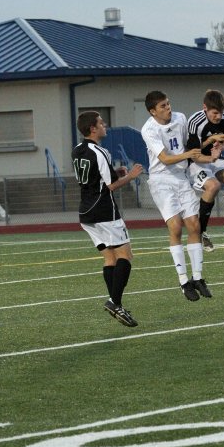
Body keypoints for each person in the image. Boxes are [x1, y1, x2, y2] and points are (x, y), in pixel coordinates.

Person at [141, 91, 221, 301]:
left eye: (168, 104)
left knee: (194, 226)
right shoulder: (148, 129)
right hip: (161, 180)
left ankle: (198, 278)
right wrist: (188, 155)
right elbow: (165, 159)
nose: (168, 108)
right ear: (152, 111)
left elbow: (191, 146)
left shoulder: (180, 118)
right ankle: (184, 281)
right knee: (176, 227)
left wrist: (209, 145)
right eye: (163, 106)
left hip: (181, 177)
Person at [72, 111, 143, 327]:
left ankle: (115, 302)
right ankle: (115, 302)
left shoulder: (77, 150)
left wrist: (116, 172)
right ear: (93, 129)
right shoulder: (100, 151)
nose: (105, 126)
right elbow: (109, 186)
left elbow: (93, 177)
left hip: (86, 211)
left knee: (110, 258)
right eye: (102, 123)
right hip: (104, 211)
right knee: (125, 255)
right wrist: (129, 176)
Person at [187, 89, 224, 252]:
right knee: (213, 186)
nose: (218, 117)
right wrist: (211, 140)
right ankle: (201, 232)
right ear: (204, 107)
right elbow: (193, 153)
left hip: (215, 157)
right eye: (214, 113)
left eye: (220, 112)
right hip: (196, 161)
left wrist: (221, 147)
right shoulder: (195, 122)